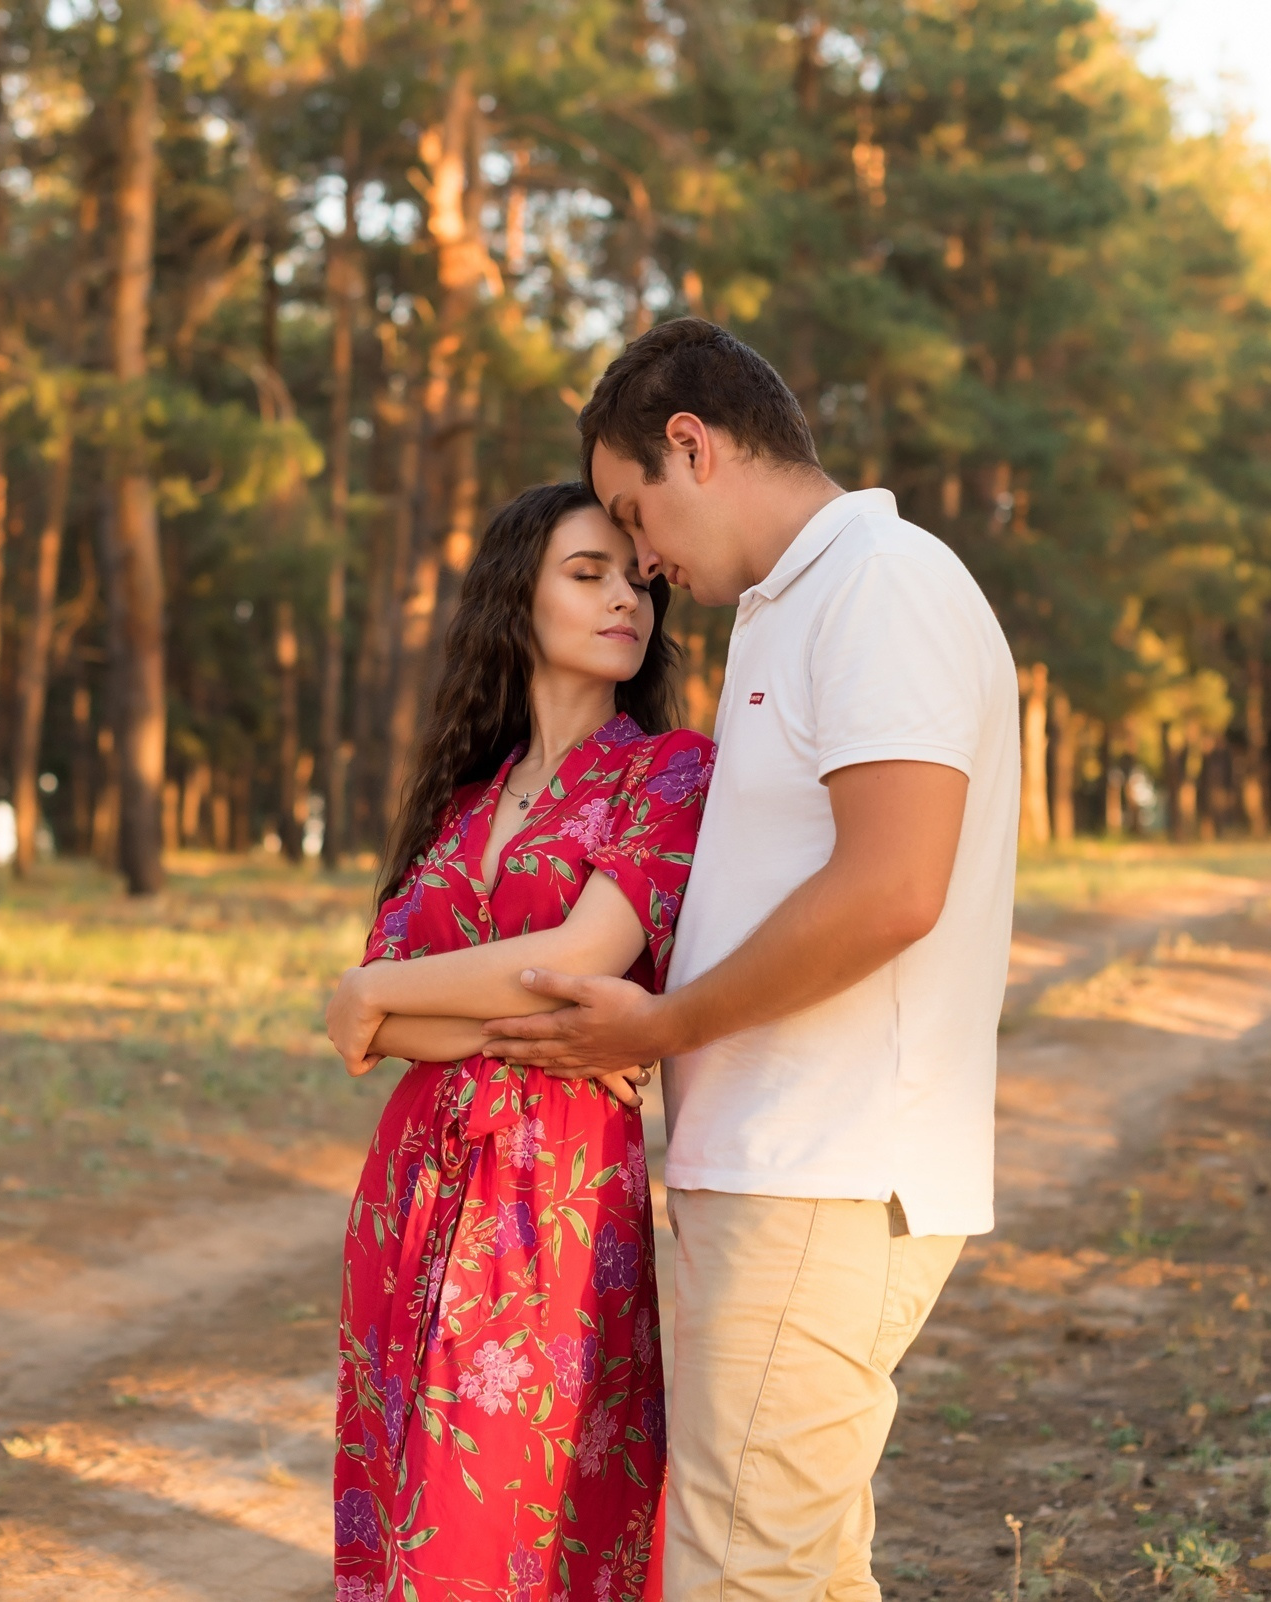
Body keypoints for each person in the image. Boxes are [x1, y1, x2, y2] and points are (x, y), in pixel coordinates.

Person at [483, 319, 1023, 1602]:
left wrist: (657, 1031)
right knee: (804, 1570)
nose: (645, 561)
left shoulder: (880, 584)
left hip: (824, 1170)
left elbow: (893, 888)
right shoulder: (797, 606)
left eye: (636, 511)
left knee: (737, 1574)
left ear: (694, 444)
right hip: (781, 1169)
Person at [325, 480, 714, 1602]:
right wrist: (391, 1002)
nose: (624, 602)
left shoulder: (667, 771)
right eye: (586, 574)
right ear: (517, 599)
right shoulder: (461, 797)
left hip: (557, 1191)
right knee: (405, 1512)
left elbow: (581, 961)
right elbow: (381, 1035)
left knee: (516, 1516)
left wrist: (380, 986)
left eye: (637, 581)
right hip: (410, 1192)